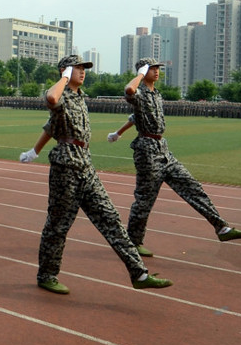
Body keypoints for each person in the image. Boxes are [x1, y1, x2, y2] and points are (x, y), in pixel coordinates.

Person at [29, 55, 173, 295]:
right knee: (58, 225)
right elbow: (51, 99)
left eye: (84, 68)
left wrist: (34, 150)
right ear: (65, 71)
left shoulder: (80, 98)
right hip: (65, 168)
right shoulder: (60, 94)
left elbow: (49, 128)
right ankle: (47, 275)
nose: (83, 72)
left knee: (111, 218)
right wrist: (64, 78)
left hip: (85, 165)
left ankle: (139, 273)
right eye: (78, 68)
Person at [110, 57, 241, 256]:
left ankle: (222, 228)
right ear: (143, 71)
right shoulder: (139, 93)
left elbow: (136, 118)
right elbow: (129, 91)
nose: (157, 71)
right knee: (144, 200)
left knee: (192, 187)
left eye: (157, 68)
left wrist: (119, 132)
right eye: (152, 68)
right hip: (147, 151)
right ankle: (133, 243)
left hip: (163, 149)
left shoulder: (156, 94)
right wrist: (140, 74)